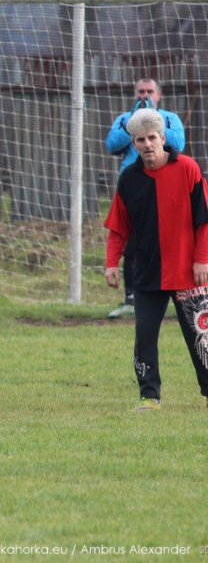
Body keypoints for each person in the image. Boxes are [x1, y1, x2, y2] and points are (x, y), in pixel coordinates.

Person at [104, 108, 208, 411]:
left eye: (152, 137)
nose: (147, 143)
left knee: (201, 337)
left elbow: (204, 220)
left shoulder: (188, 168)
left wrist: (201, 259)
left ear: (163, 138)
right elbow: (118, 228)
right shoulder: (129, 179)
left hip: (189, 271)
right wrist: (112, 263)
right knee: (144, 338)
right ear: (133, 144)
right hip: (148, 272)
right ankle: (149, 397)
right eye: (140, 139)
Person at [105, 78, 186, 319]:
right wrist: (134, 120)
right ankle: (131, 296)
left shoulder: (170, 118)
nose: (145, 95)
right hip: (134, 189)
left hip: (166, 188)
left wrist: (153, 123)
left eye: (149, 91)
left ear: (158, 94)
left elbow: (178, 143)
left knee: (170, 238)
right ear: (134, 93)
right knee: (132, 242)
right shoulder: (123, 119)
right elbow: (112, 145)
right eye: (141, 91)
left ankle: (179, 292)